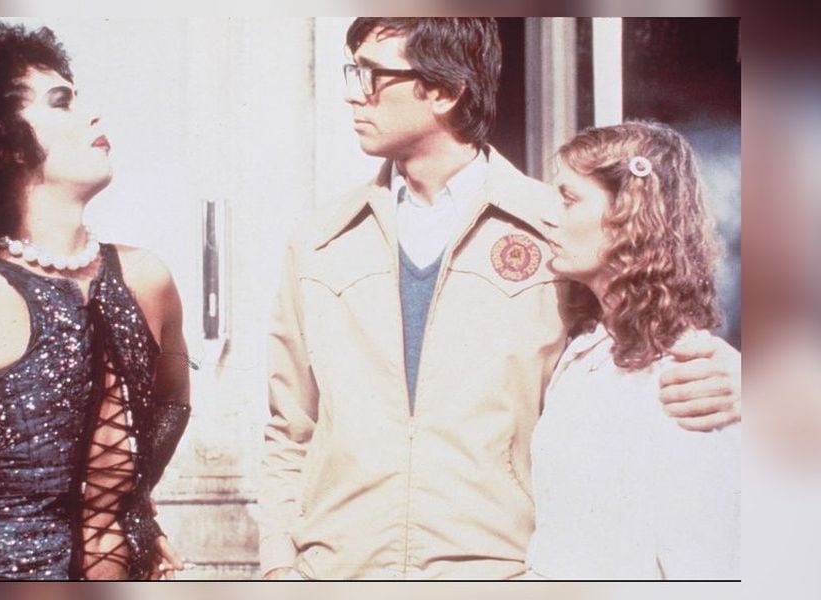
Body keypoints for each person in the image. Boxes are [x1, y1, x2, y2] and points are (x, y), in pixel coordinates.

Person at [259, 17, 741, 580]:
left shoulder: (558, 232)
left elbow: (642, 341)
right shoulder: (318, 242)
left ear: (444, 90)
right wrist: (276, 568)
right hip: (335, 577)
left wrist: (740, 376)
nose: (351, 92)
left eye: (371, 75)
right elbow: (289, 429)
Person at [0, 22, 190, 580]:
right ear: (3, 143)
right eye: (62, 103)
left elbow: (170, 405)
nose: (94, 116)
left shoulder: (147, 277)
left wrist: (133, 504)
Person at [524, 121, 740, 579]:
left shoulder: (687, 374)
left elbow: (705, 567)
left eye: (569, 198)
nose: (548, 215)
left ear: (627, 214)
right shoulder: (584, 351)